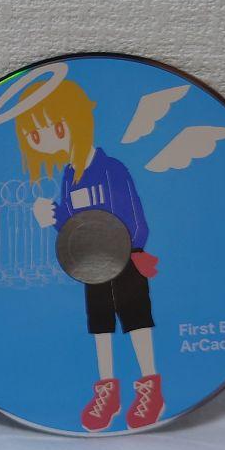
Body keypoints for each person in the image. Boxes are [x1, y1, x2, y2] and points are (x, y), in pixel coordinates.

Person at [18, 77, 165, 430]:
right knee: (101, 326)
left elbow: (136, 219)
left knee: (136, 321)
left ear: (77, 118)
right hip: (92, 266)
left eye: (55, 127)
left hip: (128, 261)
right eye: (35, 136)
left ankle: (150, 387)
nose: (46, 140)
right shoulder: (69, 176)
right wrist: (52, 217)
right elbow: (74, 226)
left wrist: (132, 251)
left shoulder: (112, 169)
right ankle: (107, 391)